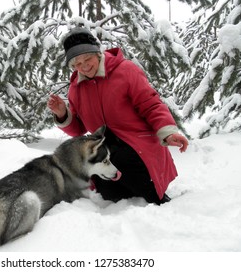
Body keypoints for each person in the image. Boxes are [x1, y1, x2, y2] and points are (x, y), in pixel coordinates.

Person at [47, 27, 188, 205]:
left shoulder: (125, 71)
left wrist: (167, 132)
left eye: (87, 59)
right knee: (110, 192)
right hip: (107, 149)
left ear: (97, 53)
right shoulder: (77, 87)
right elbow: (78, 129)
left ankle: (158, 200)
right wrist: (63, 114)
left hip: (138, 145)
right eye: (77, 64)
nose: (83, 67)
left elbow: (150, 104)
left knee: (124, 163)